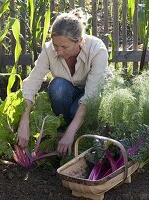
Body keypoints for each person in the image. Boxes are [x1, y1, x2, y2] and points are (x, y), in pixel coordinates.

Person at [17, 8, 112, 156]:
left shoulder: (96, 49)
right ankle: (64, 129)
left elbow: (91, 95)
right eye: (56, 45)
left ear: (80, 41)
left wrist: (70, 134)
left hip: (93, 96)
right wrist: (24, 122)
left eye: (64, 47)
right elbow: (31, 83)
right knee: (57, 87)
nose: (58, 52)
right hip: (69, 92)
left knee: (77, 112)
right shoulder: (49, 50)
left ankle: (77, 133)